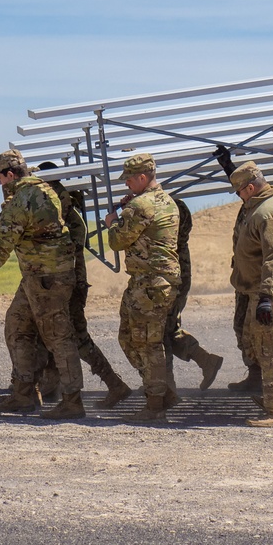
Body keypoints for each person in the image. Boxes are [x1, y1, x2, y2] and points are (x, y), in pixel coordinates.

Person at [0, 149, 85, 420]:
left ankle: (73, 400)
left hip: (46, 279)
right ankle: (23, 394)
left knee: (58, 336)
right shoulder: (44, 190)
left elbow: (1, 247)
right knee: (16, 325)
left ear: (9, 174)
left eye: (0, 178)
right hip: (40, 276)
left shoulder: (22, 200)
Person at [34, 161, 132, 410]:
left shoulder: (62, 206)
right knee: (59, 334)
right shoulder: (63, 203)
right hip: (68, 278)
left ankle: (114, 384)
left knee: (75, 336)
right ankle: (52, 386)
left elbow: (73, 241)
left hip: (70, 280)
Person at [105, 153, 181, 423]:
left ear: (141, 177)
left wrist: (113, 222)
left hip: (150, 282)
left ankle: (155, 404)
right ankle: (160, 391)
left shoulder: (141, 206)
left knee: (148, 343)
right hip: (150, 282)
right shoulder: (166, 201)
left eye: (128, 179)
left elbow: (117, 241)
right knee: (129, 337)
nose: (126, 184)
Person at [229, 161, 273, 427]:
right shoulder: (265, 202)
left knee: (271, 349)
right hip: (260, 290)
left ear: (250, 187)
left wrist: (267, 297)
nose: (239, 197)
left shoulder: (268, 213)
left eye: (239, 192)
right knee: (257, 343)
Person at [162, 197, 224, 400]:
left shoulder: (164, 219)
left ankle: (166, 388)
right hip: (178, 281)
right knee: (169, 330)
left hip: (171, 283)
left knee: (160, 334)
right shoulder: (176, 209)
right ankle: (206, 361)